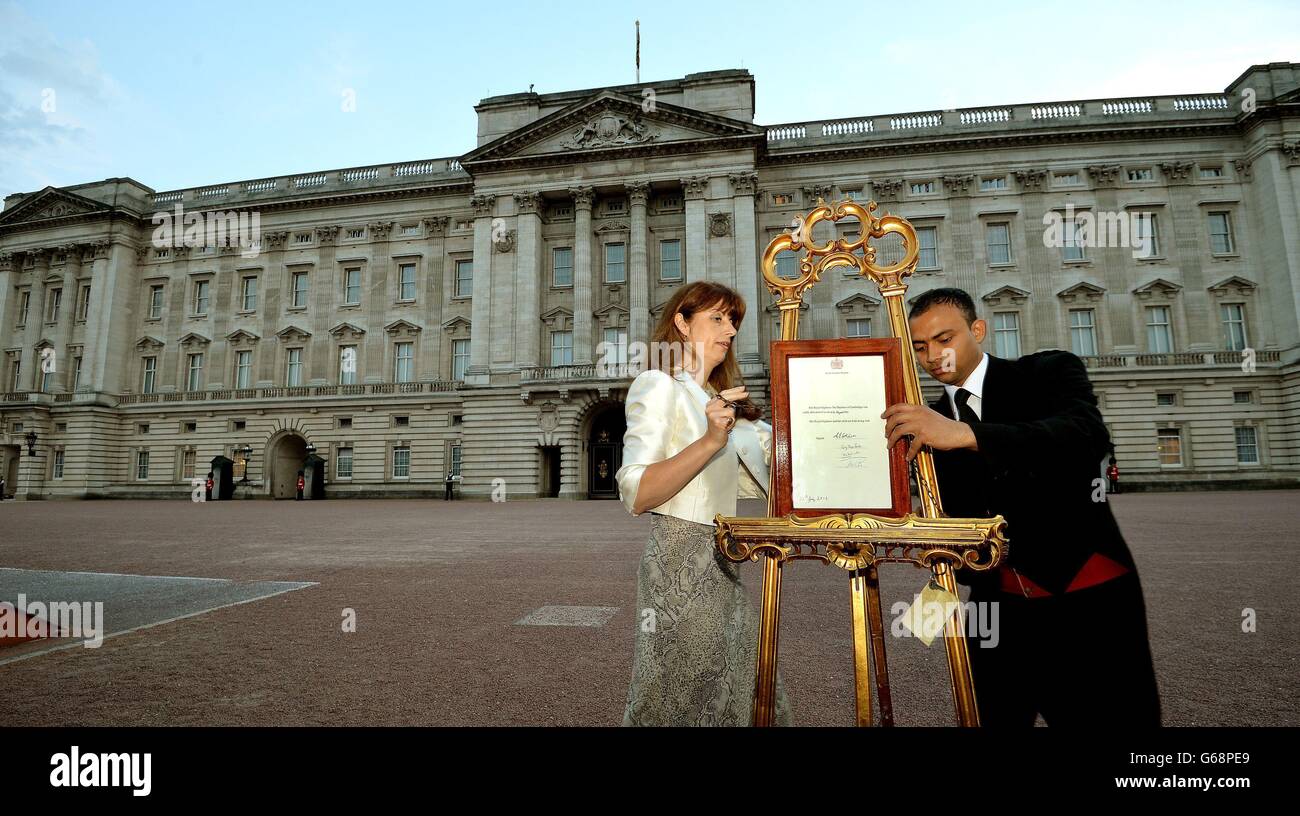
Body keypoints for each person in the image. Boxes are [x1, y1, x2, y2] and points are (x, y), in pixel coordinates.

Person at [881, 287, 1160, 727]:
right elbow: (951, 522)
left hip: (1089, 606)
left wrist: (969, 436)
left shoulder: (1049, 371)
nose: (933, 355)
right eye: (920, 346)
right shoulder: (921, 422)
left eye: (944, 338)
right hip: (996, 614)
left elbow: (1086, 438)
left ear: (978, 330)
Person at [616, 280, 793, 726]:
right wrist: (713, 439)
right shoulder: (658, 385)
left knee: (747, 685)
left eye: (733, 320)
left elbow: (784, 468)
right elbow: (636, 492)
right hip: (678, 562)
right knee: (683, 693)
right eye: (716, 317)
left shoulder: (722, 402)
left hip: (724, 558)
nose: (730, 330)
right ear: (681, 322)